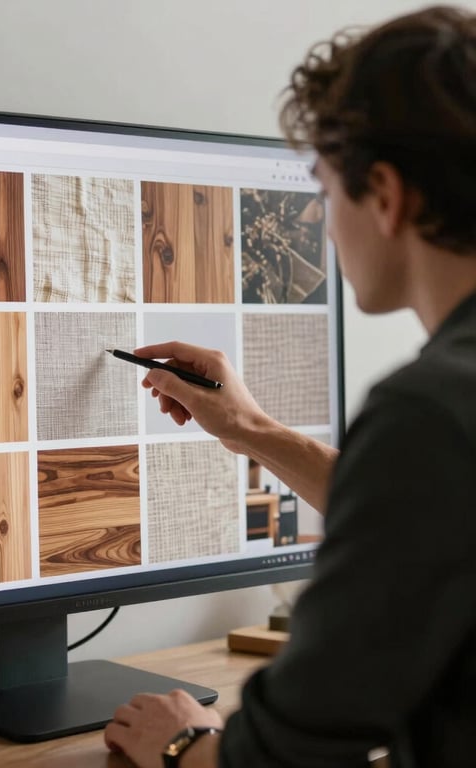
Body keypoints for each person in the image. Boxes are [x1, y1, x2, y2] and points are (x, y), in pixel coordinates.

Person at [104, 5, 476, 767]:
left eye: (324, 188)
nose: (322, 220)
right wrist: (250, 430)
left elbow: (286, 754)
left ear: (386, 193)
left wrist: (182, 742)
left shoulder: (429, 413)